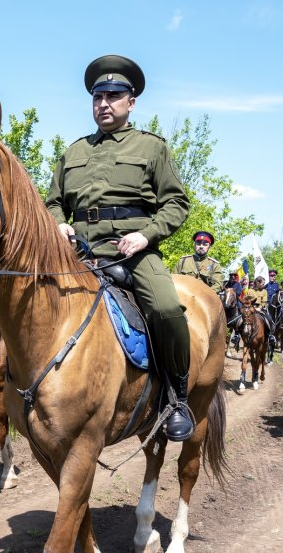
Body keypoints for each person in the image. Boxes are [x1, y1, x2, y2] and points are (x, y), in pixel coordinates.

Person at [46, 54, 194, 441]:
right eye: (98, 96)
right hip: (78, 252)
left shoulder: (151, 148)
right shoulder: (73, 152)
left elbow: (176, 203)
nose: (104, 103)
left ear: (131, 102)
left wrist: (146, 235)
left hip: (133, 250)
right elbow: (52, 200)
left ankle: (177, 397)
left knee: (165, 309)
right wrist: (59, 222)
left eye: (114, 96)